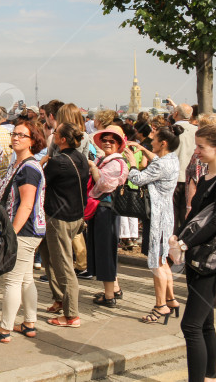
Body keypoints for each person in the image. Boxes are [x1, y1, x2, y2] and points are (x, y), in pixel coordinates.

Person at [175, 123, 216, 382]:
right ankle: (210, 376)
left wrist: (186, 243)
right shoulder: (206, 176)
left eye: (201, 147)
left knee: (190, 325)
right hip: (196, 257)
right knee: (205, 322)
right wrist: (179, 236)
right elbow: (195, 216)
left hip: (210, 260)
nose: (196, 151)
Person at [0, 119, 46, 343]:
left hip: (24, 231)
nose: (16, 138)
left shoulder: (28, 169)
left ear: (33, 141)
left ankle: (4, 330)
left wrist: (11, 233)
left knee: (12, 281)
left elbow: (27, 204)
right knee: (25, 279)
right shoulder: (20, 164)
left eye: (22, 135)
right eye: (14, 134)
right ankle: (29, 323)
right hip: (30, 230)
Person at [124, 125, 181, 323]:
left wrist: (132, 162)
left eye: (154, 140)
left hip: (156, 217)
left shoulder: (159, 165)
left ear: (163, 143)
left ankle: (160, 305)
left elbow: (138, 179)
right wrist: (144, 150)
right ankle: (171, 299)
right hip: (166, 215)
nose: (151, 142)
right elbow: (158, 161)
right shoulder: (172, 158)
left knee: (156, 262)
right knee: (163, 259)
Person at [41, 123, 90, 328]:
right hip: (75, 215)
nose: (52, 136)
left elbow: (41, 181)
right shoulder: (81, 158)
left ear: (61, 139)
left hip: (59, 218)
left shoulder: (58, 162)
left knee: (63, 265)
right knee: (49, 256)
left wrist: (42, 162)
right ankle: (60, 298)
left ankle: (72, 315)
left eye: (54, 134)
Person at [87, 125, 129, 307]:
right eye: (104, 140)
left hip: (106, 209)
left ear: (119, 144)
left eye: (112, 141)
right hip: (104, 209)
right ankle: (114, 288)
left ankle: (109, 295)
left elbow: (104, 185)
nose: (107, 143)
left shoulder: (115, 163)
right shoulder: (106, 160)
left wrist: (92, 169)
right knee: (106, 250)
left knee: (105, 251)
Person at [172, 103, 198, 232]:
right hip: (191, 178)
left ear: (176, 114)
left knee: (173, 215)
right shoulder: (197, 131)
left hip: (174, 177)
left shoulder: (170, 131)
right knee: (186, 213)